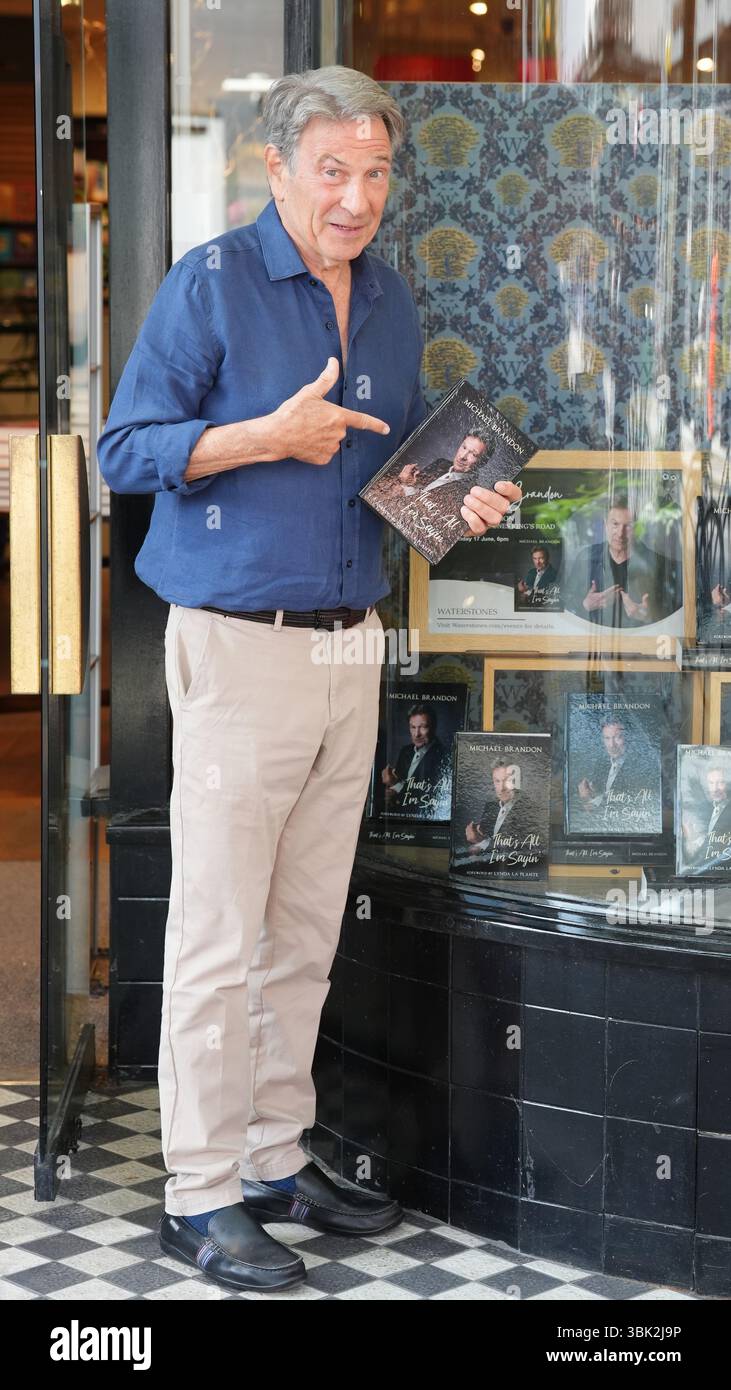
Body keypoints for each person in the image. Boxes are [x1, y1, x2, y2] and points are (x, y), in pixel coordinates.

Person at [96, 64, 521, 1295]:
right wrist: (259, 437)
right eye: (331, 169)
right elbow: (128, 448)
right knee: (219, 936)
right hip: (237, 647)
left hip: (350, 648)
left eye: (375, 171)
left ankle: (275, 1158)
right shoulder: (212, 283)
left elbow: (383, 488)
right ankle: (200, 1191)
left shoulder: (387, 295)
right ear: (272, 168)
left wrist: (460, 501)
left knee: (300, 933)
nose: (356, 196)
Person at [565, 495, 679, 628]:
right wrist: (585, 605)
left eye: (628, 526)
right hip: (594, 640)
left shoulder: (657, 563)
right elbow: (566, 602)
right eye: (615, 524)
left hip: (641, 641)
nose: (620, 533)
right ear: (605, 524)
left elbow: (675, 614)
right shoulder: (585, 558)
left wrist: (648, 616)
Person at [380, 704, 447, 813]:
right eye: (413, 727)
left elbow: (427, 799)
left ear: (433, 727)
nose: (416, 734)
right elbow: (401, 789)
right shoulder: (405, 751)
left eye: (423, 727)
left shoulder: (443, 757)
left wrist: (394, 784)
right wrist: (391, 794)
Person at [464, 759, 529, 854]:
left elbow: (517, 849)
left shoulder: (529, 810)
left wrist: (481, 842)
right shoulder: (490, 806)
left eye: (507, 780)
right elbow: (480, 840)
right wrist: (474, 835)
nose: (501, 788)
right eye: (497, 781)